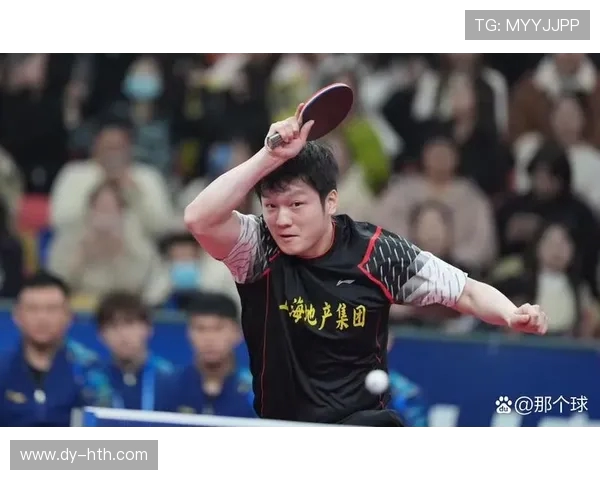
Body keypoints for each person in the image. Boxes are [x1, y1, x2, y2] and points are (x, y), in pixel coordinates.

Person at [183, 105, 549, 426]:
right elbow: (199, 218)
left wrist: (511, 313)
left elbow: (465, 292)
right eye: (271, 206)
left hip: (363, 429)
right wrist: (268, 156)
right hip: (284, 432)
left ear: (330, 202)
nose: (282, 220)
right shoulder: (258, 247)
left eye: (296, 205)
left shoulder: (375, 253)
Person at [0, 272, 112, 427]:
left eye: (51, 309)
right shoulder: (3, 368)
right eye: (32, 309)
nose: (42, 318)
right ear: (17, 316)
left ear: (69, 316)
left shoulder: (90, 370)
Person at [162, 292, 255, 418]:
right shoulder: (168, 386)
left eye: (218, 328)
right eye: (200, 328)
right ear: (188, 334)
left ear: (238, 333)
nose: (209, 338)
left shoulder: (256, 392)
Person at [94, 291, 175, 411]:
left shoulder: (170, 379)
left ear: (149, 328)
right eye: (113, 326)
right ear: (100, 335)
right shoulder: (92, 381)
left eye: (129, 324)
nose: (122, 334)